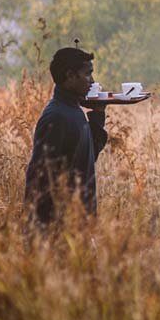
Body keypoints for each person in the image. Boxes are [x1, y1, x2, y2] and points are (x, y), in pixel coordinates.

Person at [24, 47, 107, 228]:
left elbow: (87, 157)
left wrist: (98, 114)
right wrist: (41, 232)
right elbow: (39, 177)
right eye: (87, 74)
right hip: (61, 228)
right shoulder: (57, 116)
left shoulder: (73, 111)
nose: (92, 81)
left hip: (78, 224)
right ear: (70, 76)